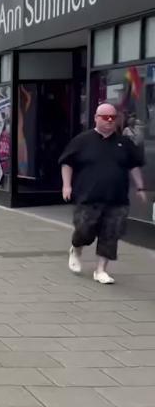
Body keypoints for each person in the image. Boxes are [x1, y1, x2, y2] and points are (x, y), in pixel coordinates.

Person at [61, 103, 146, 284]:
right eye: (105, 117)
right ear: (96, 118)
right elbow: (67, 162)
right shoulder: (82, 141)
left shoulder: (124, 143)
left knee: (110, 234)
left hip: (117, 199)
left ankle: (101, 270)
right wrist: (66, 186)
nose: (109, 121)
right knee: (84, 230)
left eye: (113, 118)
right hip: (88, 197)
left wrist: (140, 188)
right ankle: (76, 248)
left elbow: (134, 166)